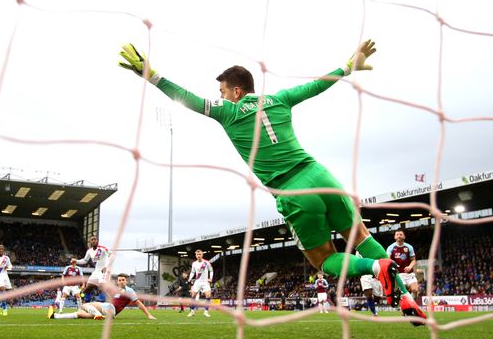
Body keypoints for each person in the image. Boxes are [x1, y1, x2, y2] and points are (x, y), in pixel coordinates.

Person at [118, 40, 426, 325]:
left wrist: (149, 73)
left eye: (223, 91)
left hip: (293, 191)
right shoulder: (280, 98)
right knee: (360, 236)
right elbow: (318, 85)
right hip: (321, 176)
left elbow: (186, 98)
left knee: (325, 260)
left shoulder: (228, 111)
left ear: (236, 91)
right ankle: (406, 298)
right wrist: (349, 65)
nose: (220, 97)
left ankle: (375, 269)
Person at [47, 273, 156, 321]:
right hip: (109, 312)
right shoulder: (117, 290)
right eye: (119, 280)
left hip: (110, 308)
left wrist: (149, 315)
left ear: (126, 281)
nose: (121, 281)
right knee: (80, 313)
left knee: (85, 305)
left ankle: (97, 314)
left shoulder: (129, 290)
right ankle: (55, 316)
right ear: (117, 282)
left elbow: (138, 303)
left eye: (123, 279)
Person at [72, 235, 111, 304]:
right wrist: (76, 261)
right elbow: (84, 260)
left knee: (101, 288)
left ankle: (104, 305)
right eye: (92, 240)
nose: (93, 241)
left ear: (97, 241)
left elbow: (111, 255)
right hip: (96, 272)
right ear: (90, 241)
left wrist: (106, 266)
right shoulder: (89, 251)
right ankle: (87, 305)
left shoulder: (102, 249)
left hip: (104, 271)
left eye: (95, 239)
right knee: (87, 289)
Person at [386, 229, 419, 300]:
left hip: (409, 274)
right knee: (402, 293)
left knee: (415, 290)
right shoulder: (391, 247)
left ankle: (411, 303)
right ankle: (407, 306)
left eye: (401, 234)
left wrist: (410, 266)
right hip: (398, 274)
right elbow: (387, 259)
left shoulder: (409, 247)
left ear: (404, 236)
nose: (399, 236)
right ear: (394, 237)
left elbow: (413, 260)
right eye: (397, 235)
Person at [187, 250, 213, 317]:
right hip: (197, 281)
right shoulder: (194, 263)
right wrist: (190, 278)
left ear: (202, 255)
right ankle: (192, 311)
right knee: (193, 296)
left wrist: (210, 278)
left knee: (208, 295)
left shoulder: (206, 262)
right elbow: (192, 272)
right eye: (197, 254)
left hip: (205, 282)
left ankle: (206, 312)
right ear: (195, 255)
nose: (198, 255)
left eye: (200, 254)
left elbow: (211, 271)